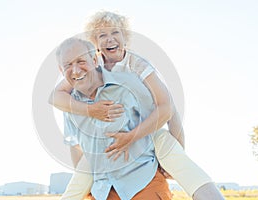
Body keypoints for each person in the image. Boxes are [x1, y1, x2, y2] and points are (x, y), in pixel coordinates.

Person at [51, 11, 224, 200]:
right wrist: (91, 110)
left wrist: (141, 139)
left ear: (125, 38)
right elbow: (57, 96)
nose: (110, 39)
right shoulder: (91, 65)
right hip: (108, 138)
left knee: (183, 165)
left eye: (115, 33)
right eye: (102, 35)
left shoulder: (137, 64)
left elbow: (168, 108)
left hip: (148, 128)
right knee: (85, 170)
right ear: (95, 44)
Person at [57, 37, 172, 200]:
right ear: (61, 71)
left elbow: (162, 113)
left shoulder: (128, 85)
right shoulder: (69, 105)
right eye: (68, 65)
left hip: (143, 184)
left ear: (95, 60)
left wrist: (165, 158)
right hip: (103, 191)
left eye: (81, 61)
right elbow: (76, 147)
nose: (75, 70)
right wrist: (88, 188)